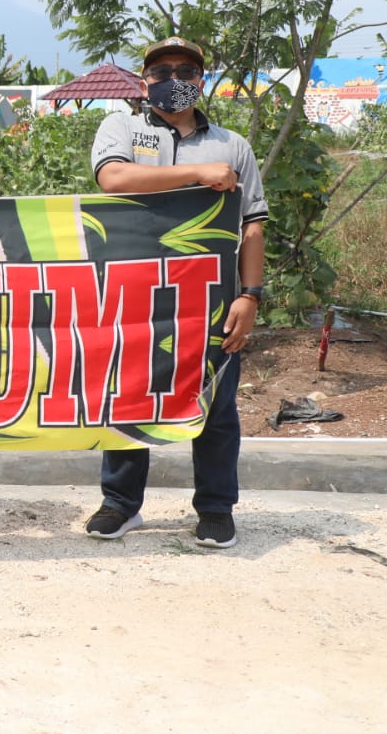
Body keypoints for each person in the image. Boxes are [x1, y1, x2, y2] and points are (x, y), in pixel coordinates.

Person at [83, 37, 267, 549]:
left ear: (201, 79)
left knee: (216, 406)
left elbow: (252, 225)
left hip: (209, 297)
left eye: (186, 68)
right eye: (161, 69)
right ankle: (120, 505)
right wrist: (199, 174)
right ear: (145, 81)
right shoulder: (122, 126)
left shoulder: (233, 145)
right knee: (129, 396)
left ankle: (214, 509)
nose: (173, 76)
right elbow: (112, 177)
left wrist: (249, 295)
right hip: (134, 293)